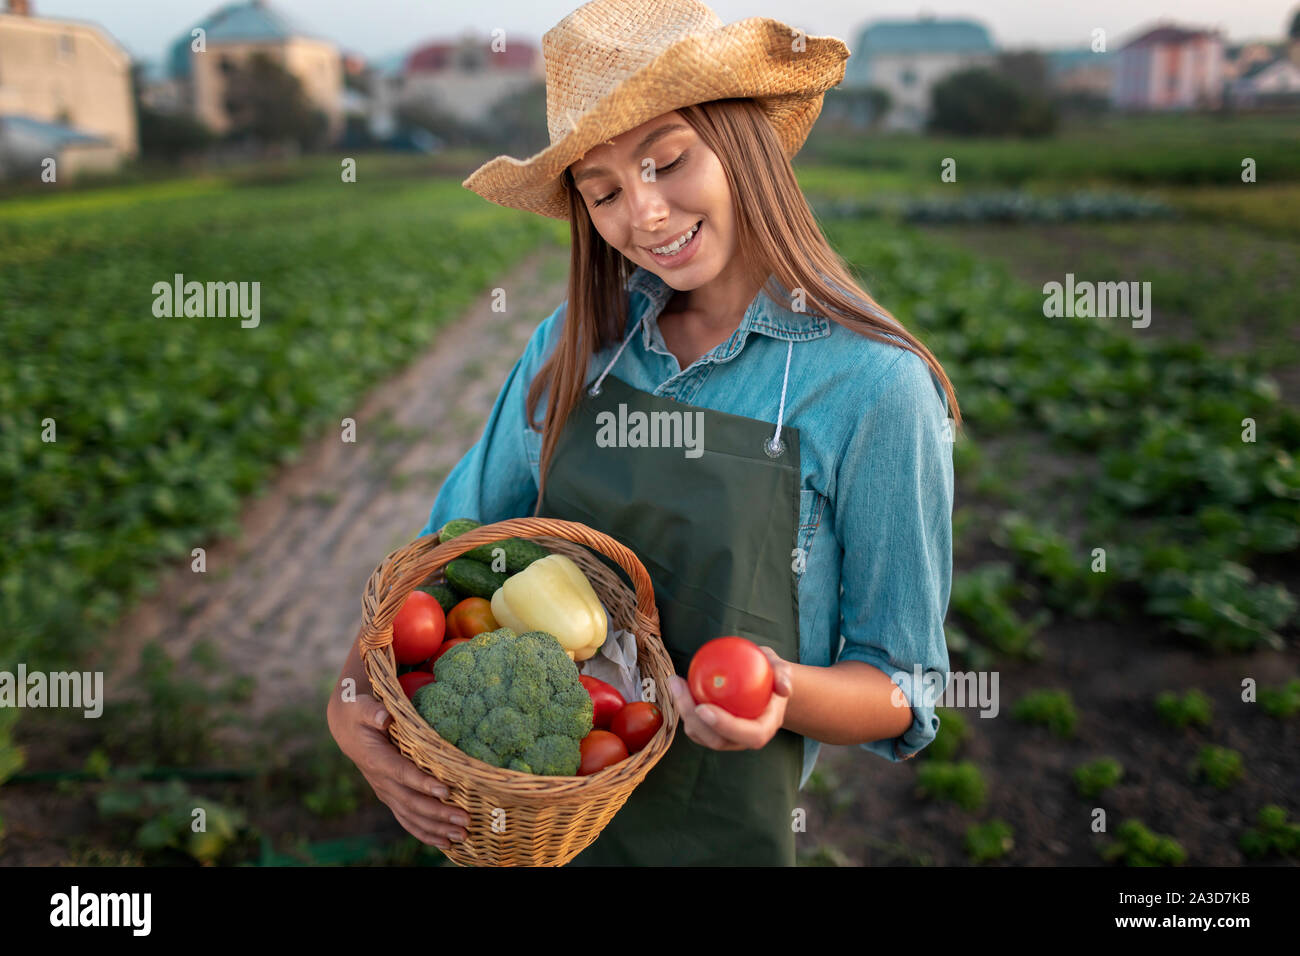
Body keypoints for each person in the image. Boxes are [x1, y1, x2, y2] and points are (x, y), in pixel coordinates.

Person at [328, 0, 961, 866]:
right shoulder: (573, 345)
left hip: (717, 839)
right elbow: (443, 554)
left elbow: (903, 685)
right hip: (525, 824)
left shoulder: (874, 388)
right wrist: (348, 701)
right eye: (606, 193)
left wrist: (778, 689)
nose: (646, 214)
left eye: (667, 161)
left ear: (743, 145)